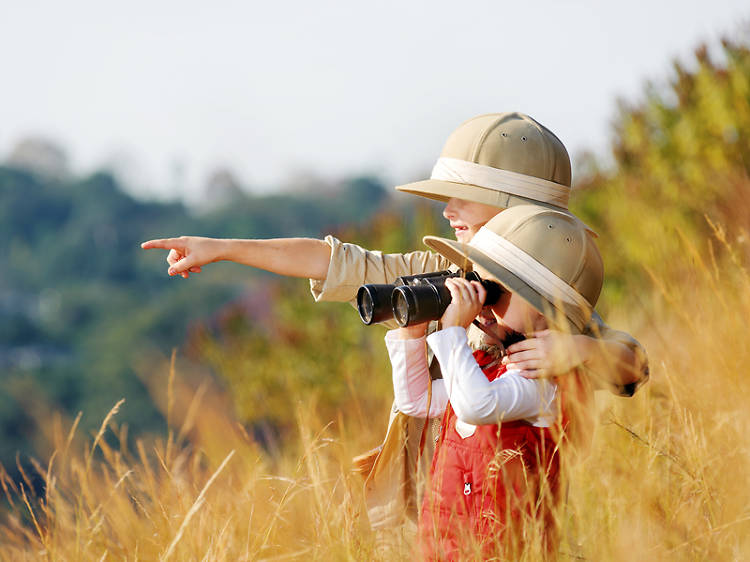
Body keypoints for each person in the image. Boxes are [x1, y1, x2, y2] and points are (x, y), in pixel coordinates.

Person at [141, 112, 648, 534]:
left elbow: (631, 363)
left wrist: (579, 352)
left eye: (461, 195)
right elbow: (337, 261)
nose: (446, 210)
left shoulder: (547, 301)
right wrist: (224, 248)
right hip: (423, 507)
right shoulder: (450, 274)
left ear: (515, 207)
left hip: (502, 521)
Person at [387, 205, 603, 559]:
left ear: (543, 307)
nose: (485, 302)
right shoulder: (488, 367)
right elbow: (417, 401)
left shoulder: (541, 381)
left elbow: (477, 405)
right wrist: (412, 336)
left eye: (495, 290)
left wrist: (454, 330)